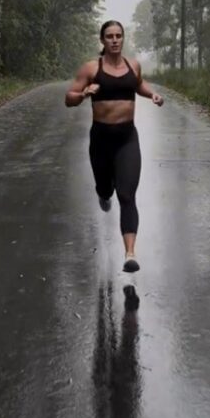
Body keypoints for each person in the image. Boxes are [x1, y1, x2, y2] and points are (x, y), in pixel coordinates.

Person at [65, 20, 164, 271]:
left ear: (123, 38)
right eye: (109, 36)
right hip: (101, 139)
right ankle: (103, 193)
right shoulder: (91, 68)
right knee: (106, 189)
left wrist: (151, 94)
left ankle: (130, 253)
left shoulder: (133, 66)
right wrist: (85, 93)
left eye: (118, 35)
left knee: (127, 195)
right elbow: (69, 98)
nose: (115, 40)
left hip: (127, 139)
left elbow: (138, 84)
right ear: (102, 40)